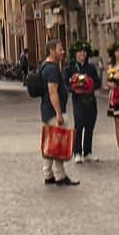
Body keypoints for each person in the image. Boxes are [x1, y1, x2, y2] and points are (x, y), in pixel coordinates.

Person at [38, 40, 77, 187]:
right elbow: (52, 91)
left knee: (50, 143)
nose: (63, 51)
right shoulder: (52, 69)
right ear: (52, 51)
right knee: (59, 143)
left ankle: (47, 173)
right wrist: (59, 113)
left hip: (46, 111)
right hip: (54, 112)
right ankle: (60, 176)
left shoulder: (44, 66)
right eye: (60, 49)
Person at [64, 45, 102, 163]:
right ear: (75, 55)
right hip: (78, 100)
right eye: (80, 52)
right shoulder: (70, 68)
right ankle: (77, 152)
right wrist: (73, 89)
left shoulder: (90, 68)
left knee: (89, 125)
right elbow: (65, 84)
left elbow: (97, 82)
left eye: (84, 52)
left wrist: (90, 86)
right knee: (79, 125)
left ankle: (87, 152)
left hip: (90, 99)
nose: (82, 54)